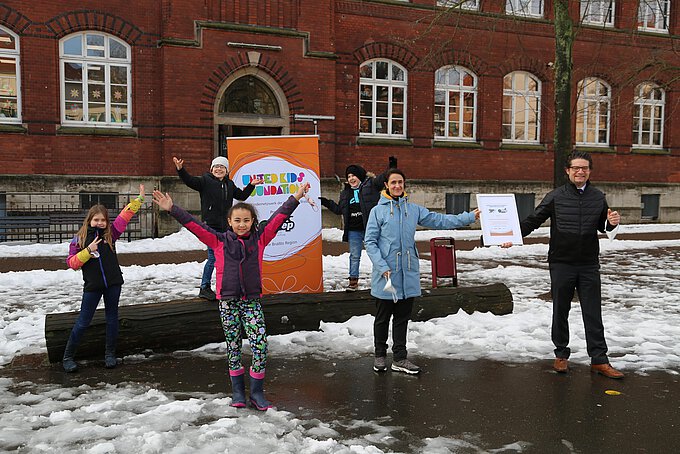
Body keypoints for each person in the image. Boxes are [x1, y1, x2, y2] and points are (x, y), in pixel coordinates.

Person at [152, 182, 311, 410]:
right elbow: (195, 225)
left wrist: (295, 197)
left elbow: (279, 216)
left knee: (259, 346)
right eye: (237, 220)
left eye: (246, 220)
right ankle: (237, 391)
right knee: (233, 346)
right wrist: (172, 209)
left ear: (253, 222)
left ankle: (256, 393)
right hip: (227, 303)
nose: (242, 225)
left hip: (251, 303)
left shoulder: (260, 238)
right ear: (229, 222)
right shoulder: (218, 241)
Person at [504, 151, 623, 379]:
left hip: (588, 264)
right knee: (561, 310)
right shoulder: (555, 196)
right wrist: (509, 237)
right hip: (561, 263)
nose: (581, 172)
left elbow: (603, 227)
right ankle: (561, 354)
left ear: (589, 171)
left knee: (593, 312)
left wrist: (611, 223)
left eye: (585, 168)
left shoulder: (598, 196)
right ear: (568, 171)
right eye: (576, 168)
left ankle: (599, 360)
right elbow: (533, 220)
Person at [364, 169, 480, 374]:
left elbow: (440, 220)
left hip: (408, 273)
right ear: (386, 186)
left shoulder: (413, 210)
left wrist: (468, 217)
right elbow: (370, 242)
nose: (397, 186)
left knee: (402, 318)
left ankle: (400, 358)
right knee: (382, 318)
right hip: (386, 274)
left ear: (404, 185)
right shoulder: (377, 211)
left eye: (400, 182)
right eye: (393, 183)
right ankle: (380, 354)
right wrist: (382, 267)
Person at [63, 184, 145, 373]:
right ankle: (68, 356)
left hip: (113, 284)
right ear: (89, 220)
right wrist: (87, 251)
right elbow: (72, 263)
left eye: (103, 220)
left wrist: (139, 200)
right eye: (96, 219)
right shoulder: (79, 240)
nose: (99, 223)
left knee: (112, 319)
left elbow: (125, 216)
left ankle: (109, 354)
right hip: (93, 286)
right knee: (83, 321)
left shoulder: (111, 234)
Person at [173, 156, 263, 300]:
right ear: (211, 169)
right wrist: (180, 169)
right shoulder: (205, 181)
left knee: (224, 258)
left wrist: (251, 185)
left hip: (226, 228)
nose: (219, 169)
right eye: (216, 166)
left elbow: (242, 196)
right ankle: (204, 287)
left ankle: (224, 286)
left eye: (222, 167)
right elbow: (189, 181)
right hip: (211, 226)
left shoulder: (230, 184)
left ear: (226, 171)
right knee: (213, 258)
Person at [319, 164, 383, 291]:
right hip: (354, 230)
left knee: (376, 253)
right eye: (348, 176)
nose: (351, 178)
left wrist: (391, 168)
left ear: (360, 176)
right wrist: (326, 202)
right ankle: (353, 281)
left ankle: (383, 277)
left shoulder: (371, 186)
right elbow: (339, 210)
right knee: (354, 255)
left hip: (369, 228)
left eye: (353, 175)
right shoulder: (345, 193)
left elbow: (382, 180)